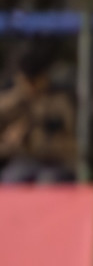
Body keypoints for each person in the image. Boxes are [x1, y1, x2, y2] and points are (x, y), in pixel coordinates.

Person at [0, 44, 76, 183]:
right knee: (10, 179)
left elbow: (71, 144)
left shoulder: (59, 100)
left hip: (54, 164)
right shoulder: (15, 99)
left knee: (47, 181)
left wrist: (31, 128)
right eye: (26, 80)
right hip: (22, 162)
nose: (31, 85)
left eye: (34, 81)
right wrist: (20, 95)